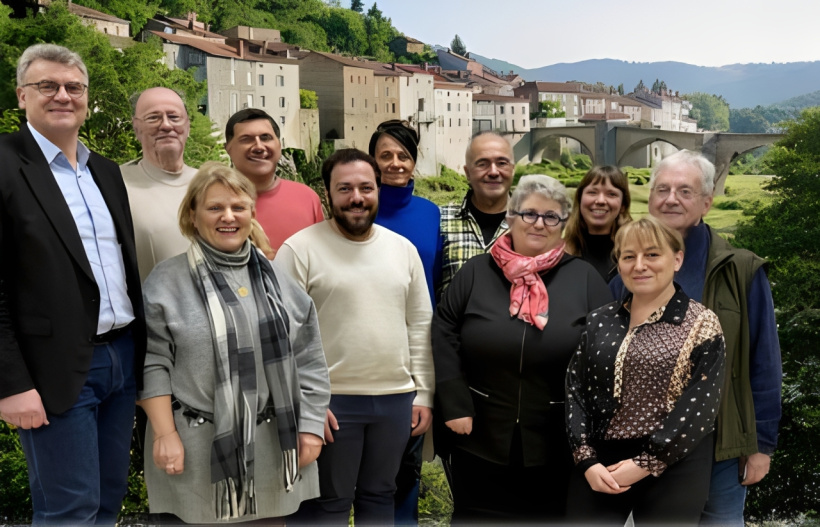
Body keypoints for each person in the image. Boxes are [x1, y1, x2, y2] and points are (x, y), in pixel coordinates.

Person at [0, 43, 146, 524]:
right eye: (48, 86)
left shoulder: (104, 170)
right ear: (22, 95)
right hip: (54, 369)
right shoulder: (4, 164)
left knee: (107, 501)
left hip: (121, 358)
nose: (63, 95)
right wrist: (10, 385)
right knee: (69, 510)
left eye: (74, 87)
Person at [137, 162, 330, 524]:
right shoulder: (166, 281)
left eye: (238, 207)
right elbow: (151, 362)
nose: (228, 216)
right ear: (192, 215)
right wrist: (164, 434)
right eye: (215, 208)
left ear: (251, 214)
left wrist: (310, 427)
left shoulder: (279, 280)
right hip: (191, 452)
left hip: (273, 451)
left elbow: (310, 359)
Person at [608, 150, 782, 526]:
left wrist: (762, 445)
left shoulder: (741, 269)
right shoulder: (624, 270)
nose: (671, 199)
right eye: (663, 189)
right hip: (644, 446)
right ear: (649, 199)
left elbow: (764, 362)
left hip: (720, 448)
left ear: (707, 202)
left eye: (685, 191)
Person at [433, 175, 612, 523]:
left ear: (563, 224)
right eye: (529, 213)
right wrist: (453, 403)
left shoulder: (585, 279)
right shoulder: (475, 272)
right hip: (478, 435)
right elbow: (444, 332)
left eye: (551, 216)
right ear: (511, 217)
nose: (539, 224)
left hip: (556, 441)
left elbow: (605, 355)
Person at [276, 149, 434, 525]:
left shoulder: (402, 250)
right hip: (331, 403)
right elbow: (282, 336)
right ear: (327, 192)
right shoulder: (299, 249)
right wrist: (304, 400)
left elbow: (419, 324)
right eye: (344, 188)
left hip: (395, 400)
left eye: (365, 187)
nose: (356, 197)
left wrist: (423, 392)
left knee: (381, 496)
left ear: (378, 189)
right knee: (326, 504)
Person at [566, 216, 726, 525]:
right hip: (601, 462)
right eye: (629, 256)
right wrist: (585, 458)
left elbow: (701, 407)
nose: (639, 265)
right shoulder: (600, 320)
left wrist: (645, 463)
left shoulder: (702, 323)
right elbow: (575, 389)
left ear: (677, 259)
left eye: (652, 254)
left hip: (675, 463)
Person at [369, 120, 442, 524]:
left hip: (414, 353)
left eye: (404, 156)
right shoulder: (359, 209)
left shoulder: (431, 214)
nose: (396, 163)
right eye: (386, 156)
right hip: (365, 352)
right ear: (373, 161)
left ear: (414, 161)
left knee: (406, 466)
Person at [121, 87, 199, 282]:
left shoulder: (208, 184)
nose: (165, 125)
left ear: (187, 126)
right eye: (153, 118)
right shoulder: (115, 184)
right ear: (136, 129)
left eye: (174, 117)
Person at [225, 108, 324, 253]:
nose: (258, 147)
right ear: (228, 149)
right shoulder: (214, 203)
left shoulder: (307, 198)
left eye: (266, 138)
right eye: (246, 139)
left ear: (279, 144)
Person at [439, 131, 514, 297]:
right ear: (467, 173)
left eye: (502, 163)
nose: (494, 171)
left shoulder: (533, 224)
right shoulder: (439, 220)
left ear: (513, 170)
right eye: (482, 164)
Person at [564, 165, 632, 281]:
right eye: (592, 192)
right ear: (580, 200)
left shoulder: (637, 253)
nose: (600, 200)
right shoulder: (559, 254)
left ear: (623, 206)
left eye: (611, 194)